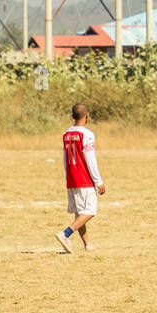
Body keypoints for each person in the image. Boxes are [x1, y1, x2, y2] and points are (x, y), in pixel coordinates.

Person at [56, 103, 105, 253]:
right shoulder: (87, 134)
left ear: (72, 117)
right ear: (87, 116)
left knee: (80, 213)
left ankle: (87, 244)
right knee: (90, 211)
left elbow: (65, 159)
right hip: (84, 179)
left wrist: (67, 176)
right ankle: (65, 234)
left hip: (72, 178)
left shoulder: (66, 134)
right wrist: (98, 181)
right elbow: (90, 159)